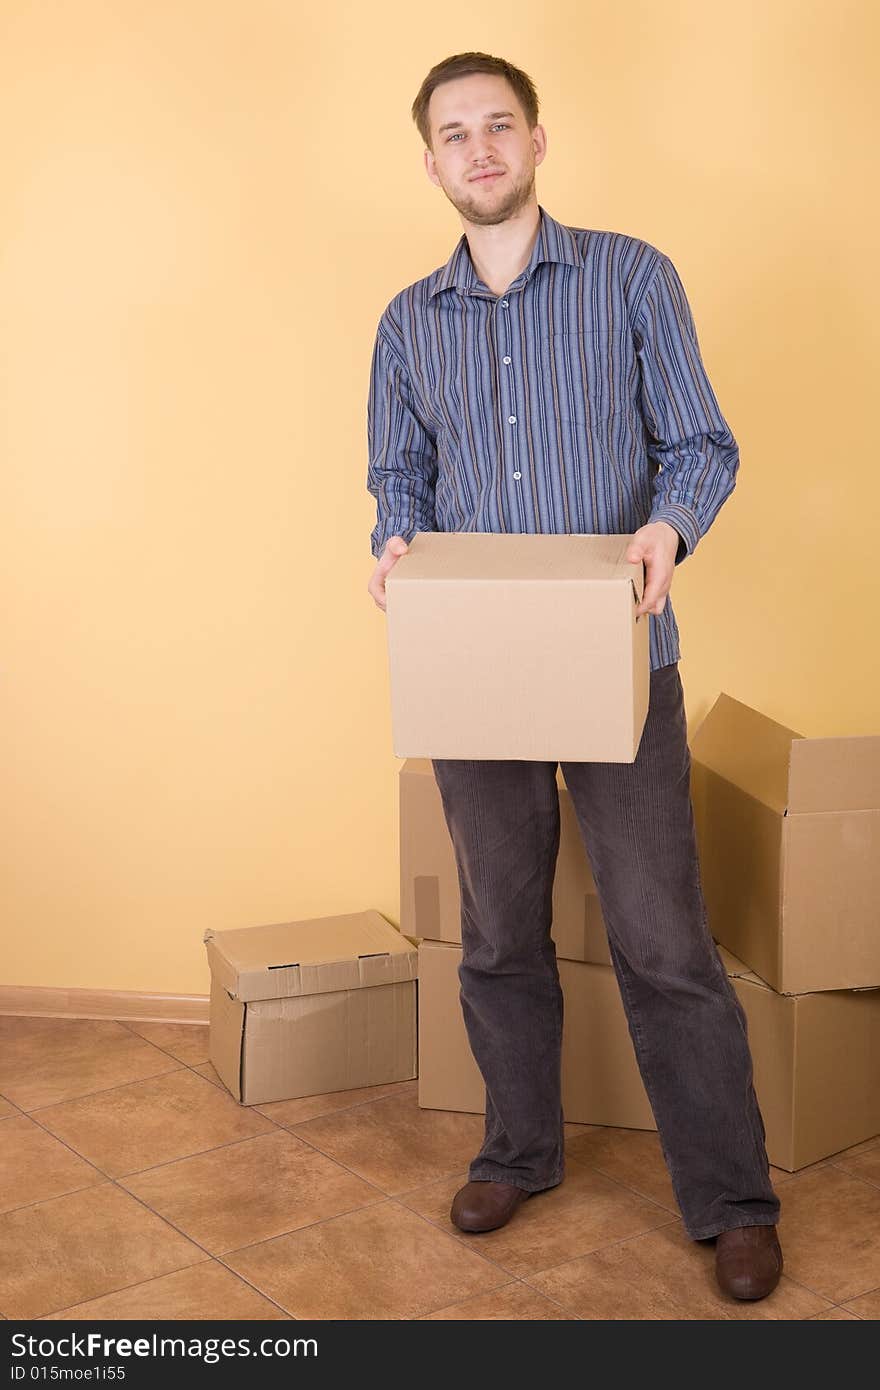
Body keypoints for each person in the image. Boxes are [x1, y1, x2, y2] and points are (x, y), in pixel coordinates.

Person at [365, 51, 783, 1303]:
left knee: (664, 944)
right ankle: (519, 1151)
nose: (478, 148)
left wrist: (669, 530)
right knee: (497, 934)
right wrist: (391, 544)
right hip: (474, 673)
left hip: (618, 660)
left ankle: (733, 1202)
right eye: (454, 133)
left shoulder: (630, 276)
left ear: (538, 142)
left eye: (500, 126)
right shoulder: (405, 322)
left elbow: (699, 440)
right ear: (430, 161)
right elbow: (398, 477)